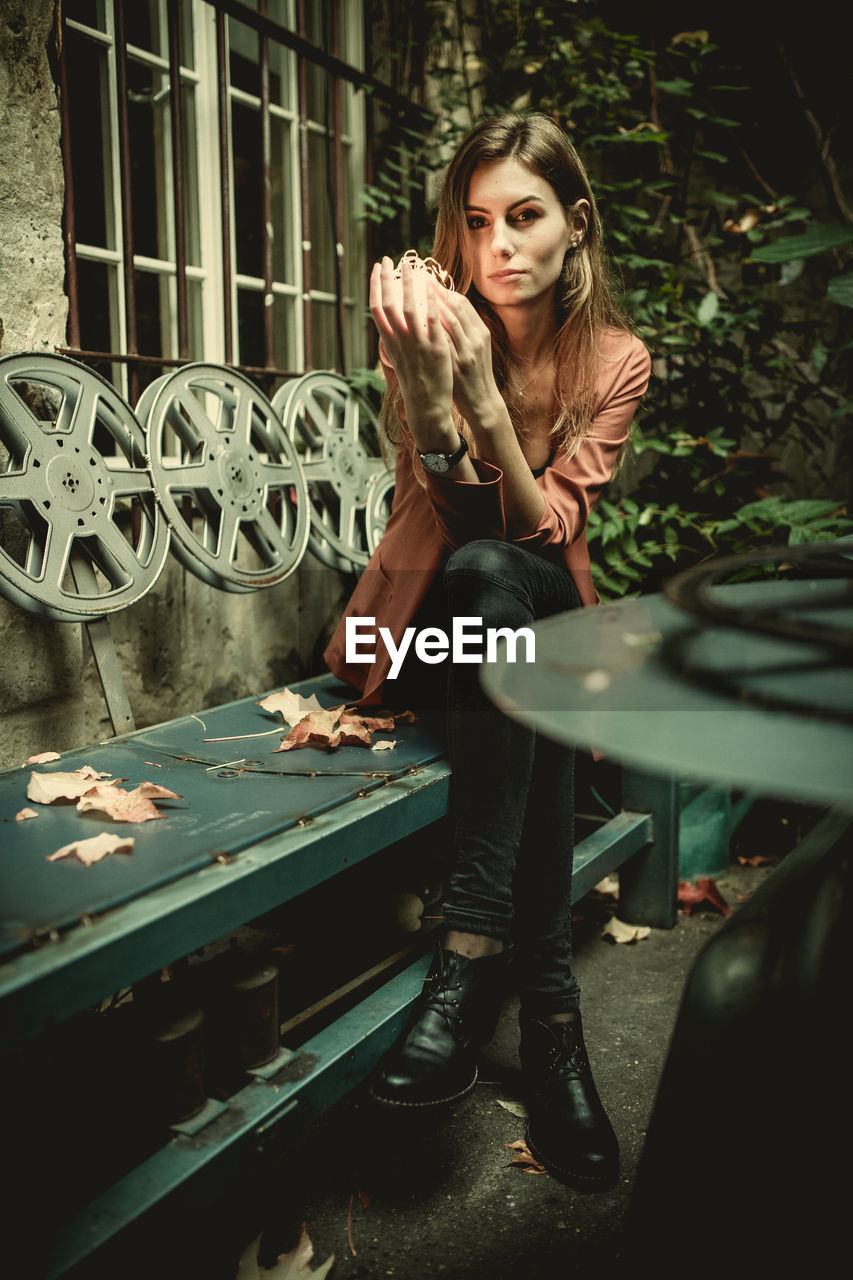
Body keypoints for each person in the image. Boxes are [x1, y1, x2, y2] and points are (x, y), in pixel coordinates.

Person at [323, 111, 651, 1191]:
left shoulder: (615, 361)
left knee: (514, 589)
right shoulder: (426, 325)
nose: (497, 245)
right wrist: (428, 396)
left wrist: (481, 406)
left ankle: (475, 965)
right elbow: (451, 538)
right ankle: (549, 1020)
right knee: (486, 588)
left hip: (518, 619)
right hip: (427, 633)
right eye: (475, 223)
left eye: (524, 216)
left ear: (576, 227)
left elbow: (542, 528)